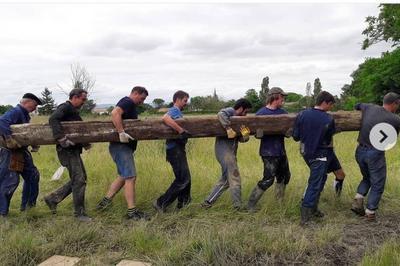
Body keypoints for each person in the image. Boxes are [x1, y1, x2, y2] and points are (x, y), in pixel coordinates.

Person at [96, 86, 150, 220]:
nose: (142, 102)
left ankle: (104, 203)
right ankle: (132, 212)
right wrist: (121, 132)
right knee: (130, 177)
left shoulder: (129, 104)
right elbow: (115, 113)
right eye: (142, 98)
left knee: (123, 176)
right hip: (121, 147)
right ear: (135, 93)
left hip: (121, 147)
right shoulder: (128, 101)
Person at [44, 88, 92, 222]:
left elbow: (75, 130)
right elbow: (53, 119)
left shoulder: (73, 111)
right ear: (75, 97)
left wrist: (84, 143)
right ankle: (79, 214)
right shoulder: (65, 107)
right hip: (67, 151)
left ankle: (52, 198)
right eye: (83, 99)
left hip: (73, 150)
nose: (84, 102)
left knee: (80, 178)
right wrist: (61, 138)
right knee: (79, 180)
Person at [351, 92, 400, 221]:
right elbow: (391, 140)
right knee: (378, 183)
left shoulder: (369, 107)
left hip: (359, 150)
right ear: (395, 103)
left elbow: (357, 105)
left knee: (367, 177)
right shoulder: (395, 119)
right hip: (375, 153)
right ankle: (370, 212)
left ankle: (358, 199)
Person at [293, 91, 336, 225]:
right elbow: (328, 138)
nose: (331, 107)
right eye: (331, 105)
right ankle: (305, 217)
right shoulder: (329, 119)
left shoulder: (301, 114)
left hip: (306, 153)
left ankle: (314, 209)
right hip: (320, 155)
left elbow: (296, 136)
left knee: (321, 179)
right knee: (315, 183)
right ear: (325, 103)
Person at [201, 99, 252, 210]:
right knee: (235, 177)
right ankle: (237, 207)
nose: (246, 115)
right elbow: (221, 113)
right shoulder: (231, 111)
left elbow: (240, 140)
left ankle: (207, 202)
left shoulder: (239, 121)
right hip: (224, 152)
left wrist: (245, 135)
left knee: (226, 181)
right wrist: (228, 128)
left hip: (230, 153)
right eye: (245, 112)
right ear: (241, 108)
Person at [247, 87, 291, 211]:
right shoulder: (261, 113)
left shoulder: (283, 112)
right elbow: (254, 132)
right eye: (282, 97)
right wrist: (258, 133)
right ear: (275, 97)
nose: (283, 99)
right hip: (268, 152)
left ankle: (279, 204)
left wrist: (288, 132)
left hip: (281, 151)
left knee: (284, 176)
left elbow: (288, 129)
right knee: (268, 180)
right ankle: (251, 204)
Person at [0, 93, 42, 217]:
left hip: (22, 151)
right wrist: (8, 139)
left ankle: (28, 208)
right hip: (10, 153)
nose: (35, 108)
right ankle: (2, 213)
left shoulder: (24, 115)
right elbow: (1, 122)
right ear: (27, 102)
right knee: (10, 181)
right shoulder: (16, 111)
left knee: (33, 176)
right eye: (34, 105)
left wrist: (32, 143)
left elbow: (23, 133)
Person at [153, 90, 192, 212]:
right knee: (182, 179)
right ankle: (161, 203)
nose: (186, 103)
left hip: (177, 149)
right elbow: (165, 117)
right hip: (174, 150)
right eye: (185, 100)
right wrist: (181, 130)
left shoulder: (178, 112)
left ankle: (183, 205)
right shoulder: (175, 110)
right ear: (178, 100)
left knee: (186, 178)